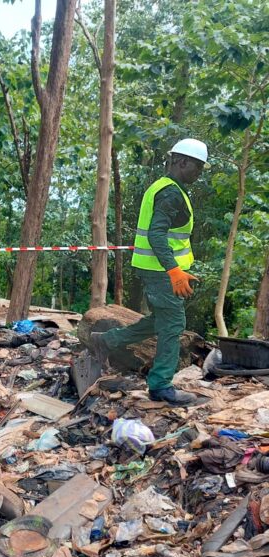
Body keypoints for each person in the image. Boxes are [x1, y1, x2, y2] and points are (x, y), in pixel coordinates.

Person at [92, 138, 209, 407]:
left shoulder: (164, 187)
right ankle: (160, 386)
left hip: (155, 269)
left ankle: (107, 341)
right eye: (198, 168)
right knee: (173, 324)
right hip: (161, 272)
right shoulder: (170, 193)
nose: (199, 173)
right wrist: (174, 271)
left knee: (161, 320)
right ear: (183, 162)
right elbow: (157, 234)